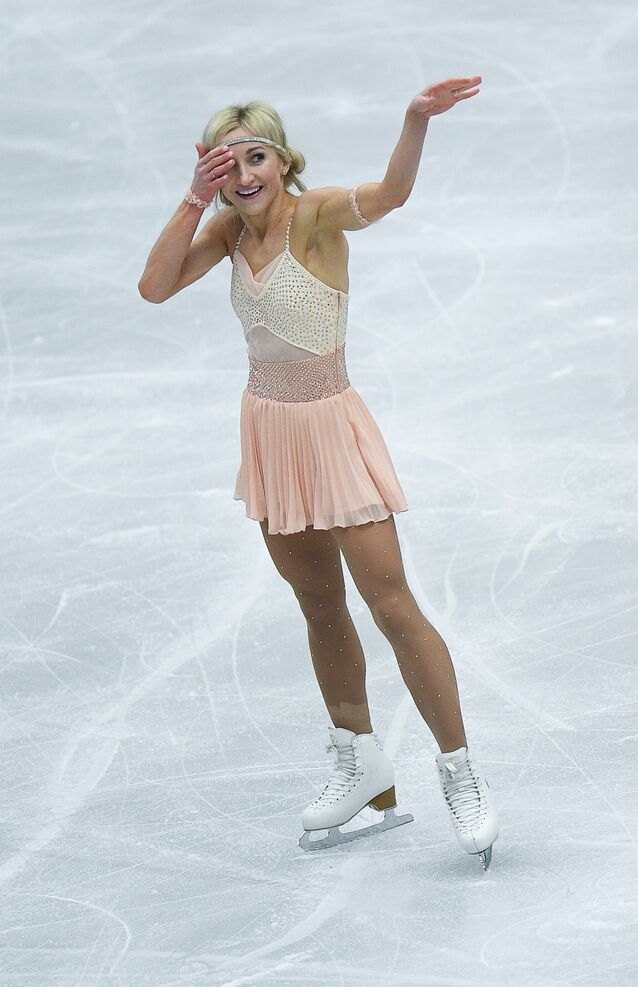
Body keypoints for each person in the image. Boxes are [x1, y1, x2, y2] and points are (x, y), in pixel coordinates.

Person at [138, 80, 498, 869]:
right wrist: (190, 204)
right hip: (269, 430)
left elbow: (393, 195)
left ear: (282, 157)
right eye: (227, 164)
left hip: (331, 430)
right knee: (318, 603)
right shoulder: (228, 231)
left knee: (392, 603)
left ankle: (460, 770)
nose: (245, 175)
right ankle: (362, 764)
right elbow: (154, 286)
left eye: (256, 157)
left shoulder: (318, 214)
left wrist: (412, 120)